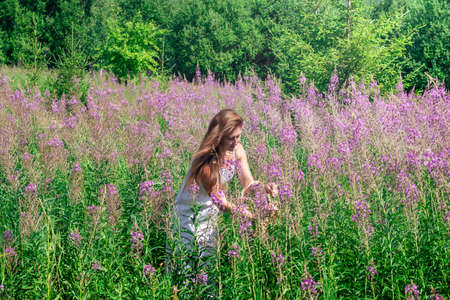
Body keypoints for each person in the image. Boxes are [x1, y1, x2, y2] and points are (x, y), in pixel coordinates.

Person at [169, 109, 278, 282]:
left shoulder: (238, 151)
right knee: (186, 266)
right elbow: (221, 203)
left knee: (207, 268)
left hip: (209, 214)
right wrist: (255, 217)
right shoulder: (207, 163)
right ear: (218, 137)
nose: (236, 142)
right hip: (188, 214)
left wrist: (265, 187)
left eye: (238, 136)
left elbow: (248, 184)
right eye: (231, 138)